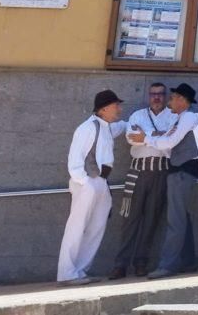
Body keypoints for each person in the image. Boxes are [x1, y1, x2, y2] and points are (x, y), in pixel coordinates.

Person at [128, 82, 198, 280]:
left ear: (181, 100)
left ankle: (167, 265)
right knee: (182, 218)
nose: (169, 101)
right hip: (179, 171)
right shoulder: (181, 118)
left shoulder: (189, 117)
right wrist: (155, 138)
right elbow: (166, 144)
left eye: (172, 97)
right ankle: (188, 261)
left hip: (182, 171)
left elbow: (169, 142)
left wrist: (145, 138)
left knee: (175, 220)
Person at [57, 90, 127, 285]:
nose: (119, 109)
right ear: (103, 109)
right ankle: (66, 273)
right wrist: (85, 182)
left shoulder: (107, 127)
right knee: (77, 226)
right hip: (88, 182)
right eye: (116, 105)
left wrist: (140, 124)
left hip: (102, 182)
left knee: (96, 228)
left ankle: (80, 271)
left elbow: (124, 126)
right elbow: (74, 160)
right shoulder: (87, 128)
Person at [109, 82, 174, 279]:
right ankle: (120, 264)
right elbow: (131, 137)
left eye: (160, 94)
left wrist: (146, 136)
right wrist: (159, 136)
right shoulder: (138, 115)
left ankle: (141, 262)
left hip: (161, 171)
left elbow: (171, 143)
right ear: (148, 96)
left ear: (165, 96)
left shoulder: (173, 116)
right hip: (137, 170)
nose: (156, 97)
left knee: (151, 219)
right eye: (153, 94)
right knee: (130, 218)